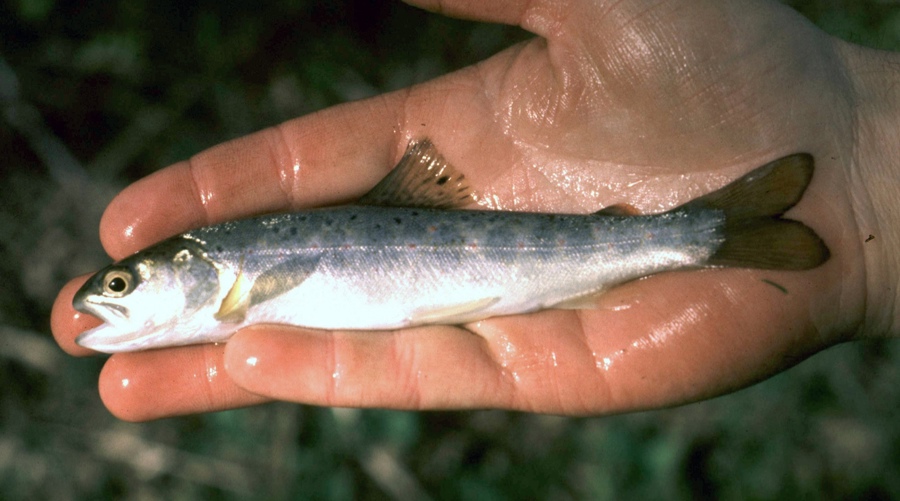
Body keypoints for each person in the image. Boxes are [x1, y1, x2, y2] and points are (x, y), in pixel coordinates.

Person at [51, 0, 899, 421]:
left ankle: (698, 234)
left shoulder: (232, 269)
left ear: (192, 270)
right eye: (119, 285)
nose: (106, 300)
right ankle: (696, 235)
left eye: (122, 284)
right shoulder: (229, 278)